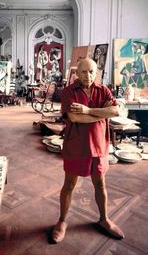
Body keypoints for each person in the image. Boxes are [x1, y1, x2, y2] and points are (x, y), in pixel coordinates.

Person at [51, 58, 125, 243]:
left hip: (99, 145)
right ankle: (62, 221)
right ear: (77, 73)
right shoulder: (69, 91)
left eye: (92, 72)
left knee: (100, 184)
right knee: (69, 185)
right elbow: (75, 118)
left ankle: (104, 219)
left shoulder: (103, 90)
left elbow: (116, 112)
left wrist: (87, 109)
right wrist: (100, 113)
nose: (88, 75)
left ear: (96, 72)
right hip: (76, 145)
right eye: (84, 72)